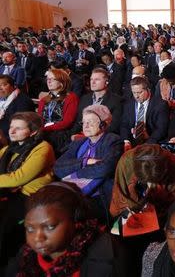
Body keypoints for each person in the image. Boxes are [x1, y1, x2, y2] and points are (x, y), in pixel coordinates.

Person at [5, 182, 125, 276]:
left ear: (76, 219)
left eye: (50, 227)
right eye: (30, 229)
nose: (37, 238)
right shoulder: (26, 257)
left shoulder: (105, 256)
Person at [109, 144, 175, 276]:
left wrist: (157, 206)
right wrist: (137, 211)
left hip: (161, 213)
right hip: (131, 210)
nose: (150, 185)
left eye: (154, 181)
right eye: (146, 181)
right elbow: (120, 197)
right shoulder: (126, 161)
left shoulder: (172, 161)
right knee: (117, 237)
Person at [0, 112, 55, 267]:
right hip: (11, 194)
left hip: (30, 197)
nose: (11, 131)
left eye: (18, 128)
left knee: (5, 226)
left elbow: (19, 178)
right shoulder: (10, 148)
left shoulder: (43, 148)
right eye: (11, 127)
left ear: (33, 132)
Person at [54, 105, 123, 223]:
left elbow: (105, 168)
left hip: (98, 195)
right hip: (75, 192)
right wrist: (84, 162)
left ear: (103, 124)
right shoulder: (79, 143)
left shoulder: (113, 140)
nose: (85, 126)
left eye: (90, 122)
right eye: (84, 122)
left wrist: (75, 172)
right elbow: (57, 167)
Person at [37, 69, 79, 156]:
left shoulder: (71, 97)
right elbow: (39, 119)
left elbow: (67, 122)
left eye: (52, 79)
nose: (48, 81)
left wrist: (45, 129)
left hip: (61, 133)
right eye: (48, 79)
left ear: (62, 82)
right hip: (44, 131)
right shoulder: (44, 100)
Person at [121, 77, 169, 147]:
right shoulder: (129, 104)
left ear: (148, 90)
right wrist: (126, 141)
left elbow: (161, 129)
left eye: (139, 92)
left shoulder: (160, 105)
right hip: (132, 141)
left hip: (151, 141)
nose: (136, 96)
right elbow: (124, 125)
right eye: (134, 93)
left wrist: (148, 142)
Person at [0, 75, 34, 140]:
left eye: (3, 85)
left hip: (12, 137)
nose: (0, 88)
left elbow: (20, 124)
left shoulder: (22, 101)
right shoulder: (2, 100)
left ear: (13, 86)